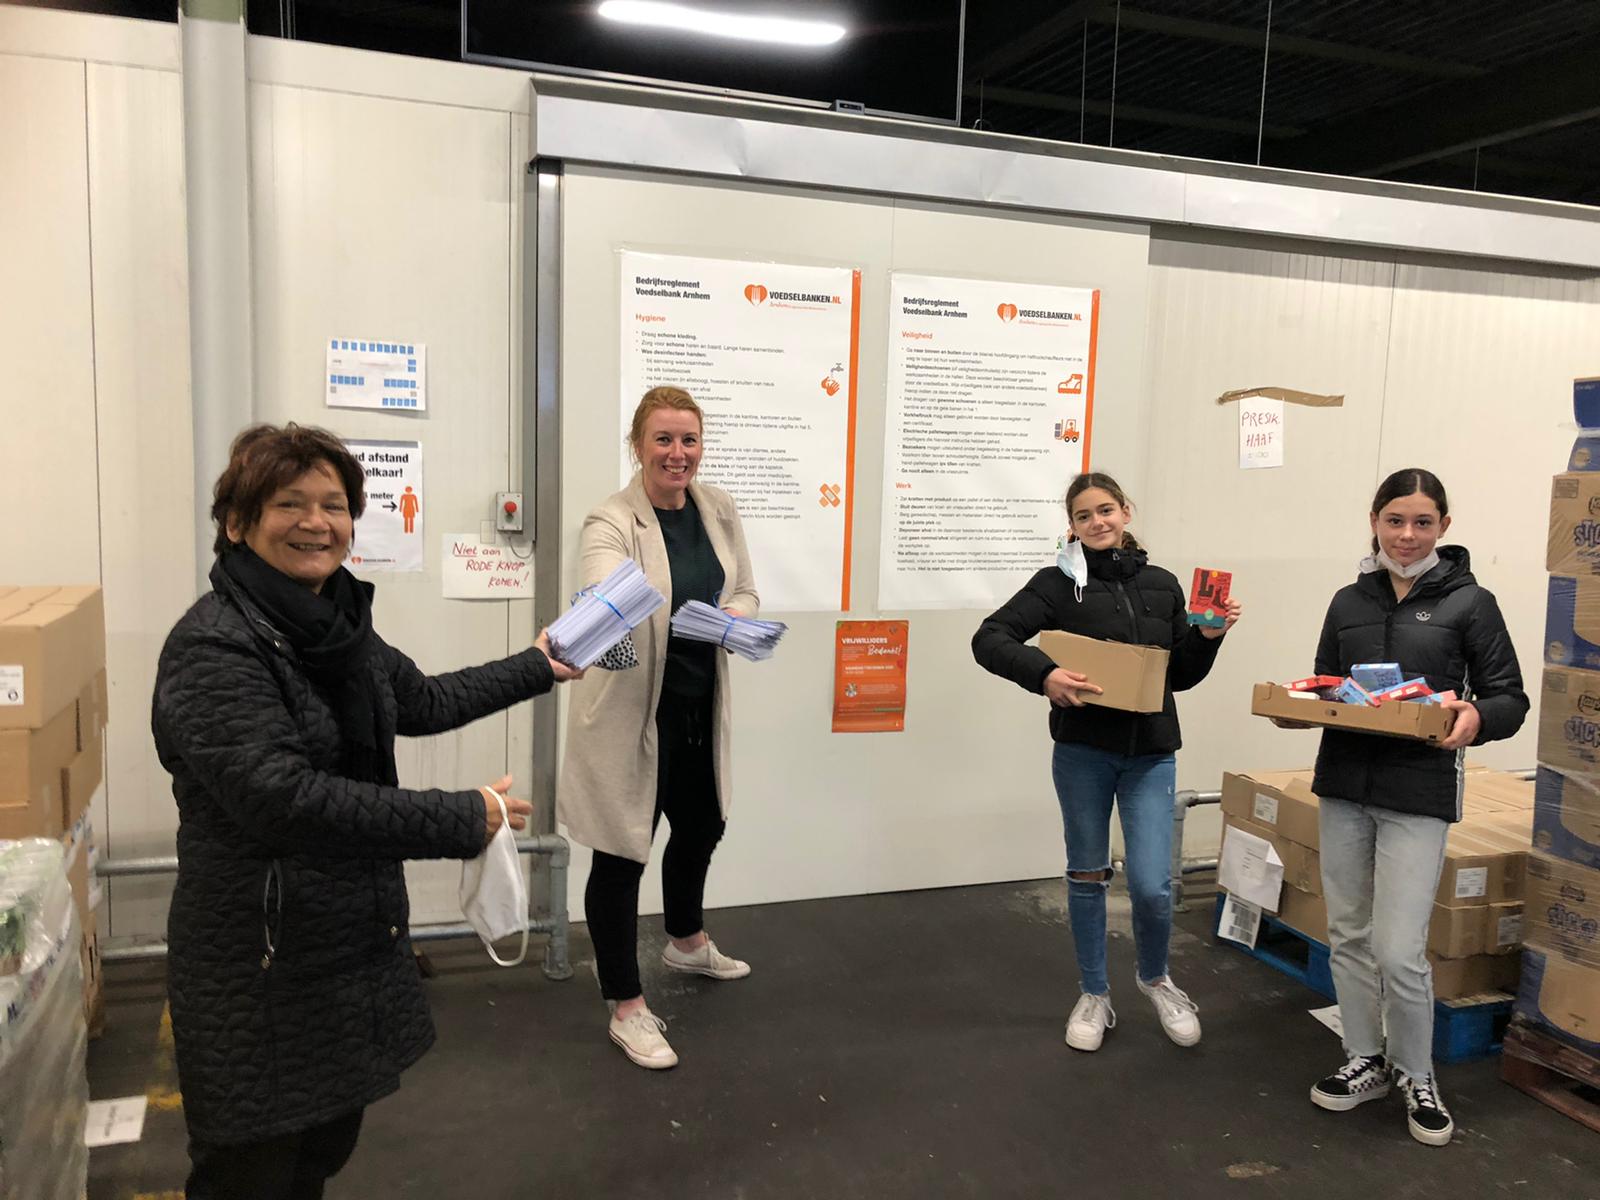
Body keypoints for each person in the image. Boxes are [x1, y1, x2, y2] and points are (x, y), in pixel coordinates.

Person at [152, 423, 581, 1199]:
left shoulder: (338, 628)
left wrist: (538, 664)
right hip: (258, 963)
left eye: (334, 504)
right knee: (250, 1172)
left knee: (319, 1152)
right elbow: (284, 800)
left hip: (343, 945)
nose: (317, 522)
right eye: (290, 503)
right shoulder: (214, 646)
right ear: (238, 523)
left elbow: (423, 700)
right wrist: (458, 818)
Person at [1294, 468, 1526, 1146]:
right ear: (1374, 521)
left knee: (1399, 951)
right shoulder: (1347, 601)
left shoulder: (1471, 603)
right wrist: (1300, 705)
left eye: (1422, 522)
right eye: (1395, 520)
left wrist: (1475, 716)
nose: (1406, 535)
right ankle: (1363, 1057)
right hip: (1344, 785)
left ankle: (1416, 1074)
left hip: (1418, 794)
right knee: (1348, 934)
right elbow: (1327, 685)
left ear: (1443, 528)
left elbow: (1509, 697)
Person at [972, 471, 1240, 1053]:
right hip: (1083, 754)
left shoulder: (1164, 585)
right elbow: (989, 639)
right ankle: (1094, 993)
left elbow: (1180, 676)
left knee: (1152, 885)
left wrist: (1209, 637)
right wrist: (1044, 674)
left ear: (1125, 512)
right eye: (1084, 515)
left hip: (1151, 755)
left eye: (1106, 510)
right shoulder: (1056, 585)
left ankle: (1157, 980)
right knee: (1088, 874)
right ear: (1071, 526)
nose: (1097, 522)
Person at [559, 386, 759, 1070]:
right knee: (622, 853)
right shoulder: (611, 520)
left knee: (703, 825)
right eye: (664, 440)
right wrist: (611, 608)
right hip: (629, 712)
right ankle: (626, 1005)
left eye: (689, 440)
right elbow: (604, 592)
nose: (678, 453)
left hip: (699, 702)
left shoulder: (718, 507)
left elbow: (744, 588)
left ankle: (686, 940)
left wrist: (733, 617)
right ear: (638, 446)